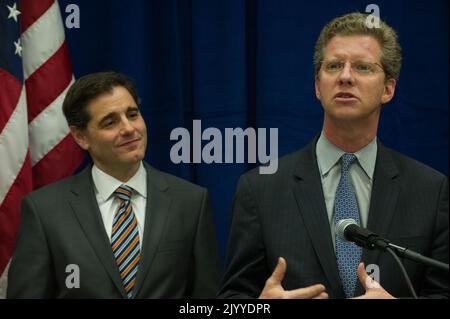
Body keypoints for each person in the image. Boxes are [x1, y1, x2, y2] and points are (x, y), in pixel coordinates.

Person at [219, 13, 448, 299]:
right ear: (317, 86)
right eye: (334, 66)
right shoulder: (260, 188)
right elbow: (233, 298)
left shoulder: (430, 189)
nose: (345, 76)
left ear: (388, 89)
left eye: (363, 67)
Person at [7, 71, 221, 298]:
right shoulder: (44, 211)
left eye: (133, 114)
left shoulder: (190, 201)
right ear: (81, 137)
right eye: (110, 122)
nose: (129, 128)